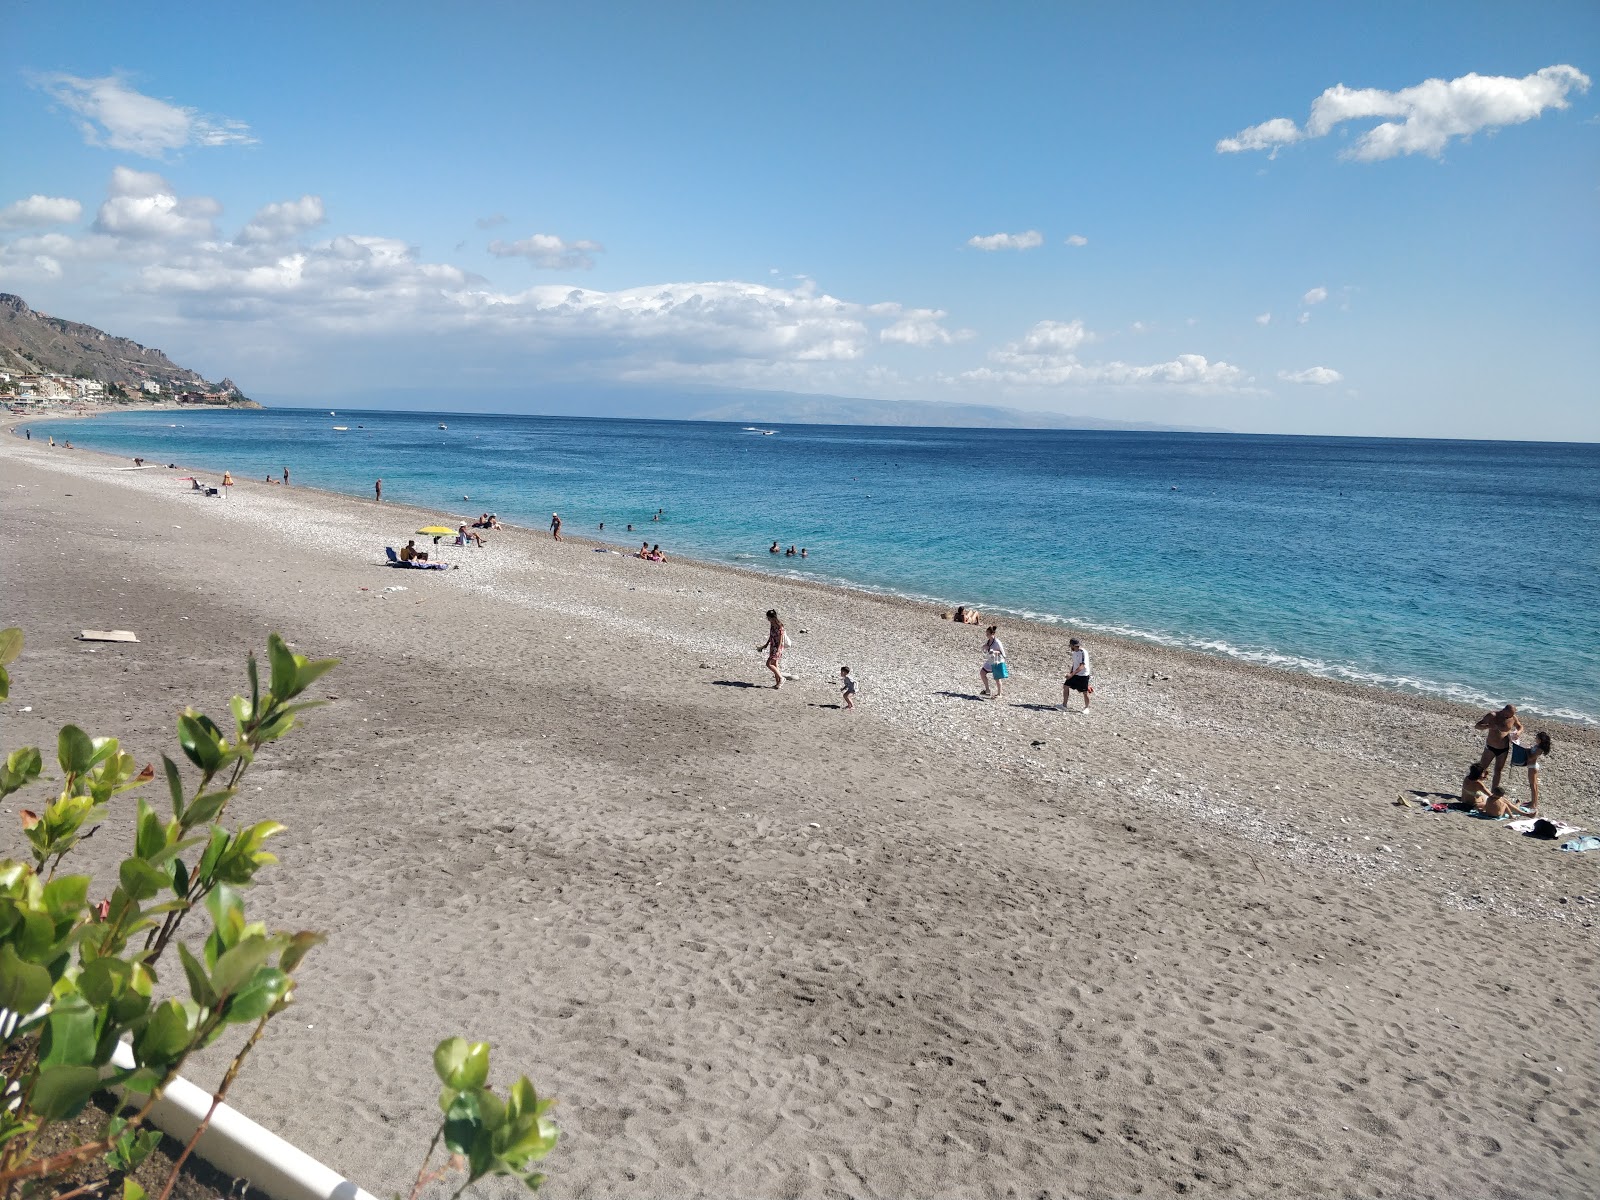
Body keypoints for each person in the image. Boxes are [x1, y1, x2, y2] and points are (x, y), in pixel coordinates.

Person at [1474, 704, 1522, 789]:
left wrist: (1518, 732)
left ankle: (1494, 792)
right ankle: (1475, 788)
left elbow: (1520, 727)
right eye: (1508, 715)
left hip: (1503, 749)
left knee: (1498, 771)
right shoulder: (1492, 715)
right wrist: (1488, 726)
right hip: (1490, 747)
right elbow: (1477, 726)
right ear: (1504, 710)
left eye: (1511, 715)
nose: (1509, 717)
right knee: (1482, 768)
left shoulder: (1513, 718)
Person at [1511, 731, 1553, 812]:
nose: (1535, 739)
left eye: (1536, 738)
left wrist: (1526, 751)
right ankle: (1534, 802)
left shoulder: (1539, 749)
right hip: (1532, 766)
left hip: (1532, 767)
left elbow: (1531, 758)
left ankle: (1533, 803)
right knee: (1534, 785)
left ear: (1540, 740)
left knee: (1533, 785)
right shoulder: (1537, 746)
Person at [758, 609, 788, 689]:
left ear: (772, 617)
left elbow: (781, 638)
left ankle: (782, 678)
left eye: (768, 618)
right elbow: (771, 636)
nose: (768, 619)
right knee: (775, 664)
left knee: (768, 664)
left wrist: (778, 649)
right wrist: (766, 645)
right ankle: (778, 683)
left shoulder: (779, 626)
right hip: (772, 646)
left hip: (777, 647)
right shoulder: (772, 624)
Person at [1062, 637, 1092, 711]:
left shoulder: (1082, 652)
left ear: (1073, 645)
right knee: (1066, 686)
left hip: (1083, 675)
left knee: (1085, 692)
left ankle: (1086, 708)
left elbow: (1082, 665)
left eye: (1071, 646)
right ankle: (1064, 705)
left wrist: (1071, 674)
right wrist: (1070, 673)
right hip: (1075, 673)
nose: (1070, 647)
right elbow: (1075, 664)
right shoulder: (1074, 652)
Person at [980, 625, 1006, 698]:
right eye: (986, 634)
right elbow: (986, 648)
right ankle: (987, 690)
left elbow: (1003, 653)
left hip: (997, 661)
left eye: (988, 634)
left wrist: (994, 651)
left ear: (992, 634)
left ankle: (999, 694)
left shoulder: (997, 642)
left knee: (997, 678)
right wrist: (984, 647)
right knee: (982, 673)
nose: (986, 635)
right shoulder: (989, 641)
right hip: (991, 660)